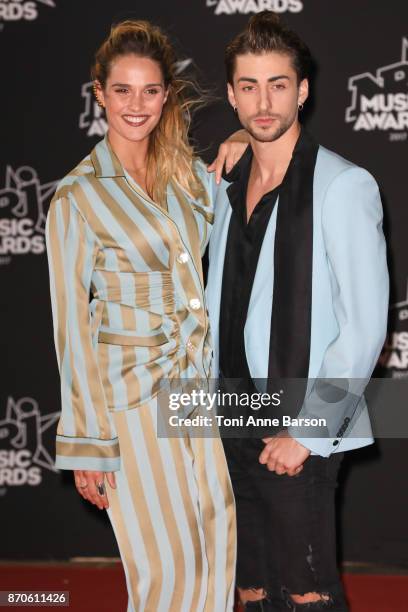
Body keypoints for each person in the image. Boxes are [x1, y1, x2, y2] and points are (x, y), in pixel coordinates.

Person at [45, 20, 239, 612]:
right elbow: (71, 328)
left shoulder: (186, 179)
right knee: (163, 573)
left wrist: (246, 141)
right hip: (129, 406)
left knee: (214, 555)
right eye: (122, 90)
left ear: (166, 96)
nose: (137, 105)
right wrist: (87, 445)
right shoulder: (78, 197)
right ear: (99, 93)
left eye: (150, 91)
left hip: (194, 397)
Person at [206, 11, 389, 611]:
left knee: (307, 592)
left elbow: (363, 327)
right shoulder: (223, 186)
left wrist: (308, 432)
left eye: (278, 84)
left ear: (302, 90)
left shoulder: (343, 185)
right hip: (229, 411)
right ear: (232, 94)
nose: (264, 100)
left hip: (296, 423)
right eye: (250, 86)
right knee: (252, 586)